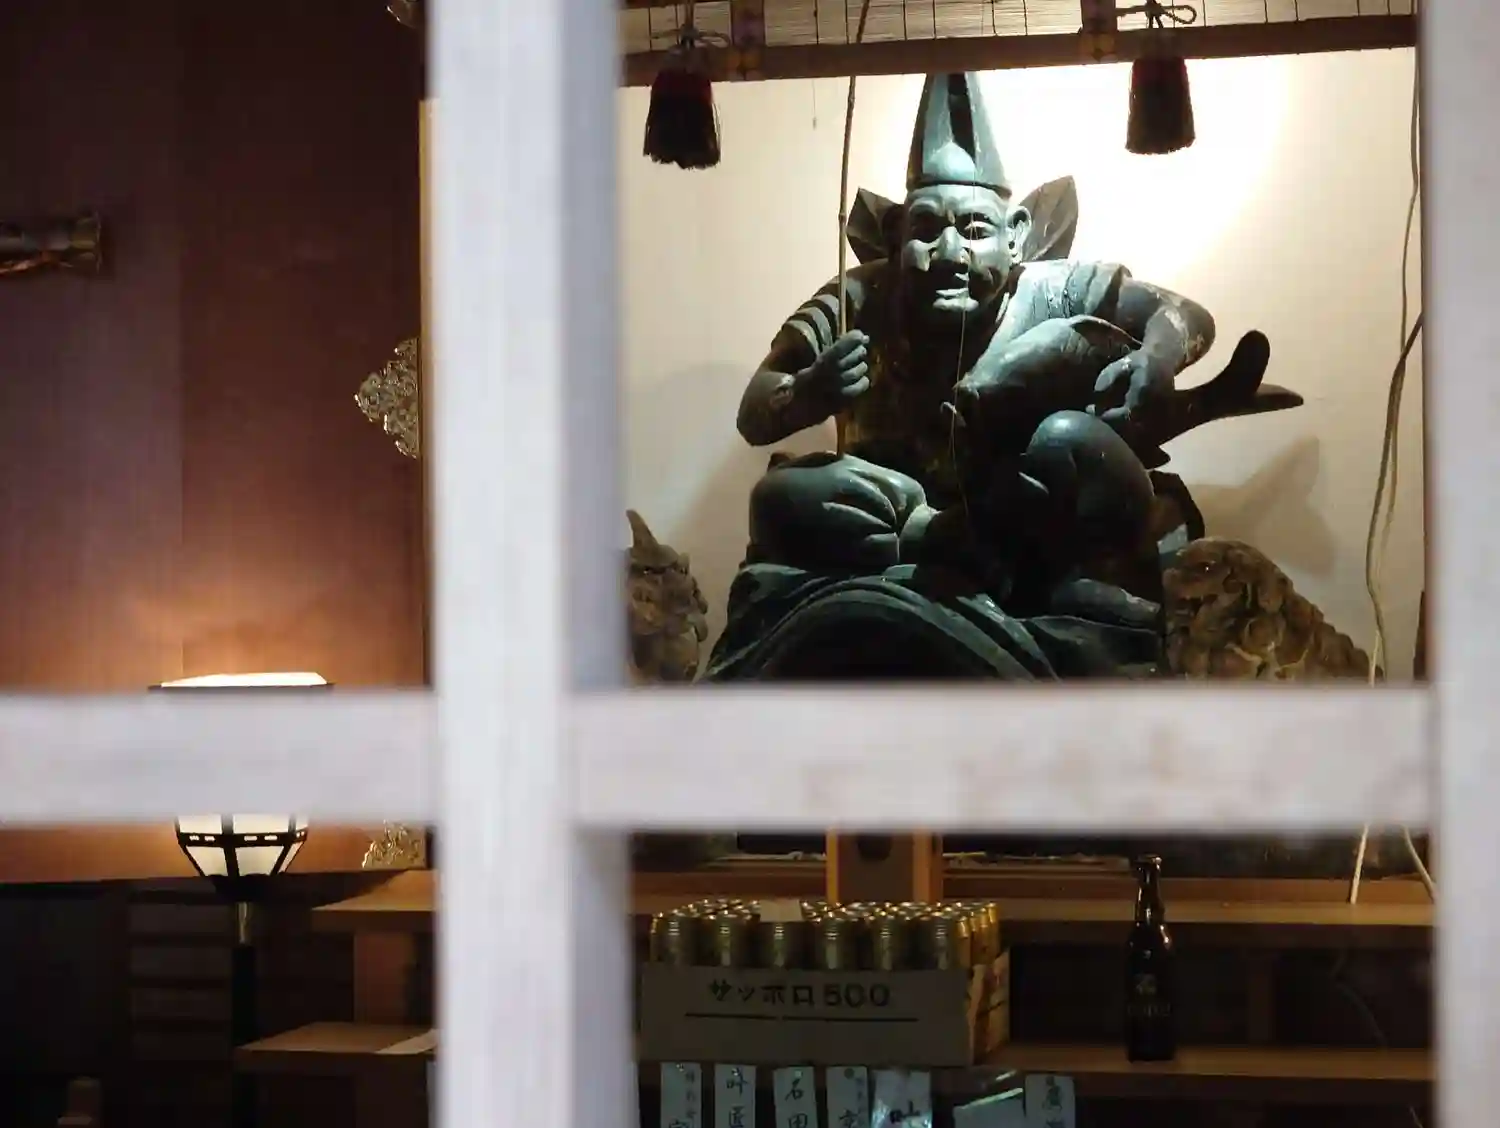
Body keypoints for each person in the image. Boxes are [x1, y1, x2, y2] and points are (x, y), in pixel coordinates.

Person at [734, 72, 1214, 592]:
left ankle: (983, 551)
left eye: (975, 230)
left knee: (1070, 443)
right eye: (925, 230)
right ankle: (946, 543)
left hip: (1027, 501)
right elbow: (754, 413)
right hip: (902, 513)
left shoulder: (1053, 289)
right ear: (894, 235)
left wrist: (1156, 358)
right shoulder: (859, 298)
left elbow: (1183, 314)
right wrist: (806, 392)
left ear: (1016, 234)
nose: (948, 253)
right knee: (778, 496)